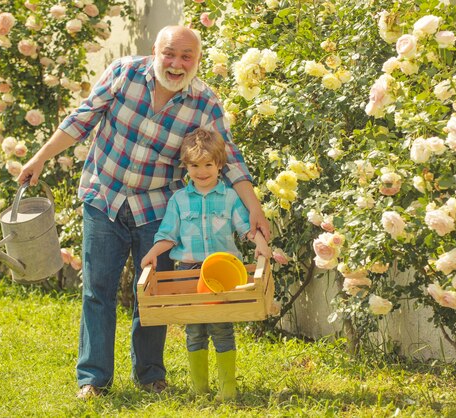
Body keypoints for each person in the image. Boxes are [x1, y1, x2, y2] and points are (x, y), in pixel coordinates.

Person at [17, 25, 270, 399]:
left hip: (155, 207)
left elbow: (229, 161)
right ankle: (93, 379)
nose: (176, 63)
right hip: (104, 196)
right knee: (97, 290)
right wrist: (40, 159)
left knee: (154, 294)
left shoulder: (205, 103)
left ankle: (150, 375)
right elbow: (81, 120)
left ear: (197, 61)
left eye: (187, 57)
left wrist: (255, 209)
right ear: (155, 50)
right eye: (170, 53)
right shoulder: (123, 73)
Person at [141, 128, 271, 401]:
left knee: (222, 328)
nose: (202, 172)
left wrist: (259, 241)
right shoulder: (179, 200)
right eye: (195, 165)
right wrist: (153, 252)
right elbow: (168, 234)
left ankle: (227, 391)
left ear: (220, 165)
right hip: (188, 272)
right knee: (194, 329)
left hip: (222, 271)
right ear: (186, 167)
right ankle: (199, 389)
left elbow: (245, 227)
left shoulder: (229, 197)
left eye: (208, 165)